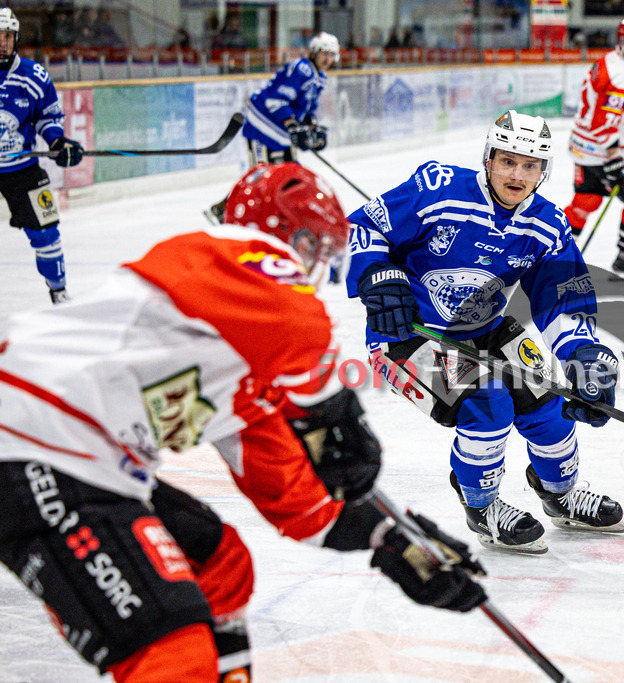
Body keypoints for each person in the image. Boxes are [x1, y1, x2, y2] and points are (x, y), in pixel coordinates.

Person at [0, 162, 486, 682]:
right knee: (172, 653)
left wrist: (393, 539)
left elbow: (296, 499)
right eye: (311, 246)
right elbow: (292, 320)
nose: (313, 267)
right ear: (282, 236)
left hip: (77, 458)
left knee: (220, 562)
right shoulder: (226, 254)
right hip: (34, 437)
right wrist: (333, 409)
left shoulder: (245, 364)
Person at [344, 110, 624, 554]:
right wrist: (377, 274)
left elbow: (562, 297)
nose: (517, 174)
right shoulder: (438, 188)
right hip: (409, 335)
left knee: (549, 402)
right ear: (488, 158)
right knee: (487, 401)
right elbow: (365, 226)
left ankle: (561, 493)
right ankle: (482, 504)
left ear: (543, 171)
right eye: (508, 161)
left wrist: (582, 354)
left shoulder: (548, 224)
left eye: (530, 165)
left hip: (486, 328)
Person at [205, 31, 339, 223]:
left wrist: (311, 127)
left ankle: (285, 214)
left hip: (282, 133)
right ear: (314, 52)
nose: (327, 58)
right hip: (262, 127)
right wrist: (292, 124)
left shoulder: (320, 77)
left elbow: (308, 107)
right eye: (324, 53)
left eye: (331, 54)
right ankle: (223, 210)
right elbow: (276, 100)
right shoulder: (301, 69)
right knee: (260, 176)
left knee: (291, 173)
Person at [0, 8, 84, 305]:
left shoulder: (32, 75)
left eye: (7, 36)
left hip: (22, 168)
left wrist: (58, 141)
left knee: (46, 232)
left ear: (16, 38)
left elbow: (47, 117)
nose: (2, 42)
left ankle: (59, 291)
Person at [565, 17, 624, 279]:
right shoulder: (623, 76)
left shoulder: (610, 61)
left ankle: (555, 259)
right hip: (608, 153)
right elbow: (603, 122)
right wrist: (615, 156)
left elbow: (604, 108)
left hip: (583, 148)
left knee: (585, 203)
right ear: (623, 42)